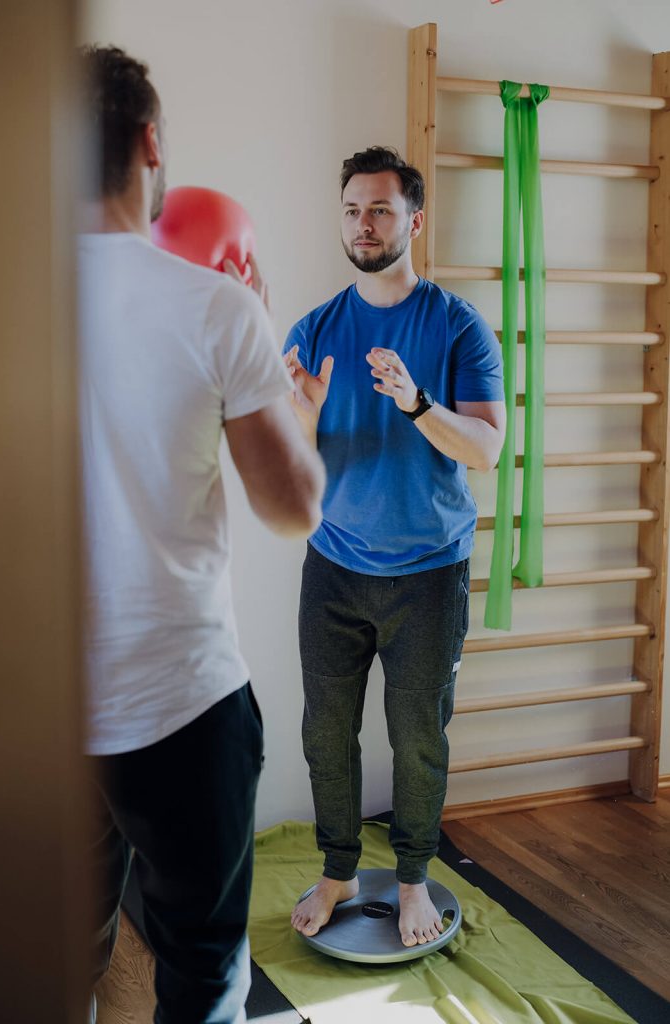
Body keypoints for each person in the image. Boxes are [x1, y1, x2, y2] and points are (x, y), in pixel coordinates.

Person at [78, 46, 325, 1024]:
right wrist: (270, 376)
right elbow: (291, 506)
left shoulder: (6, 297)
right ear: (149, 143)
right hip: (181, 705)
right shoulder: (217, 306)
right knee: (201, 972)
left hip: (35, 705)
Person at [285, 146, 506, 948]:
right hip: (335, 567)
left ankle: (413, 879)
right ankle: (338, 870)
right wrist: (303, 417)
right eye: (351, 208)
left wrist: (417, 403)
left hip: (427, 575)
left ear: (413, 218)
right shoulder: (314, 329)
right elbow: (292, 471)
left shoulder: (454, 324)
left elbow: (484, 448)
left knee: (417, 736)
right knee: (324, 730)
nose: (363, 223)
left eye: (379, 209)